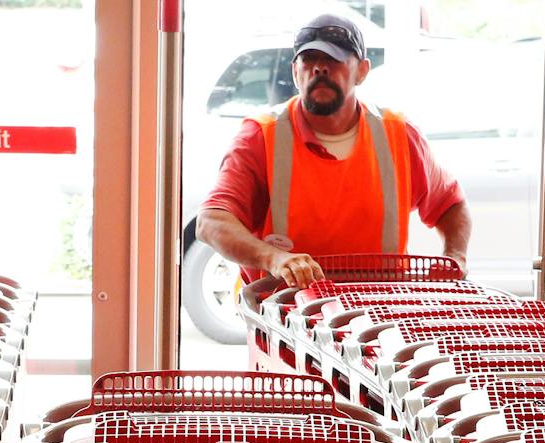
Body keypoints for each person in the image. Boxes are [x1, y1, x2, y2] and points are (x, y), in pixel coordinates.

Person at [196, 12, 471, 290]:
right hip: (289, 319)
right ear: (295, 72)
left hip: (378, 314)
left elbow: (451, 205)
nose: (319, 68)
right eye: (309, 59)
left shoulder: (399, 135)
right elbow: (211, 221)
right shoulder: (262, 136)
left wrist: (454, 259)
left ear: (362, 71)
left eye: (333, 59)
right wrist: (275, 259)